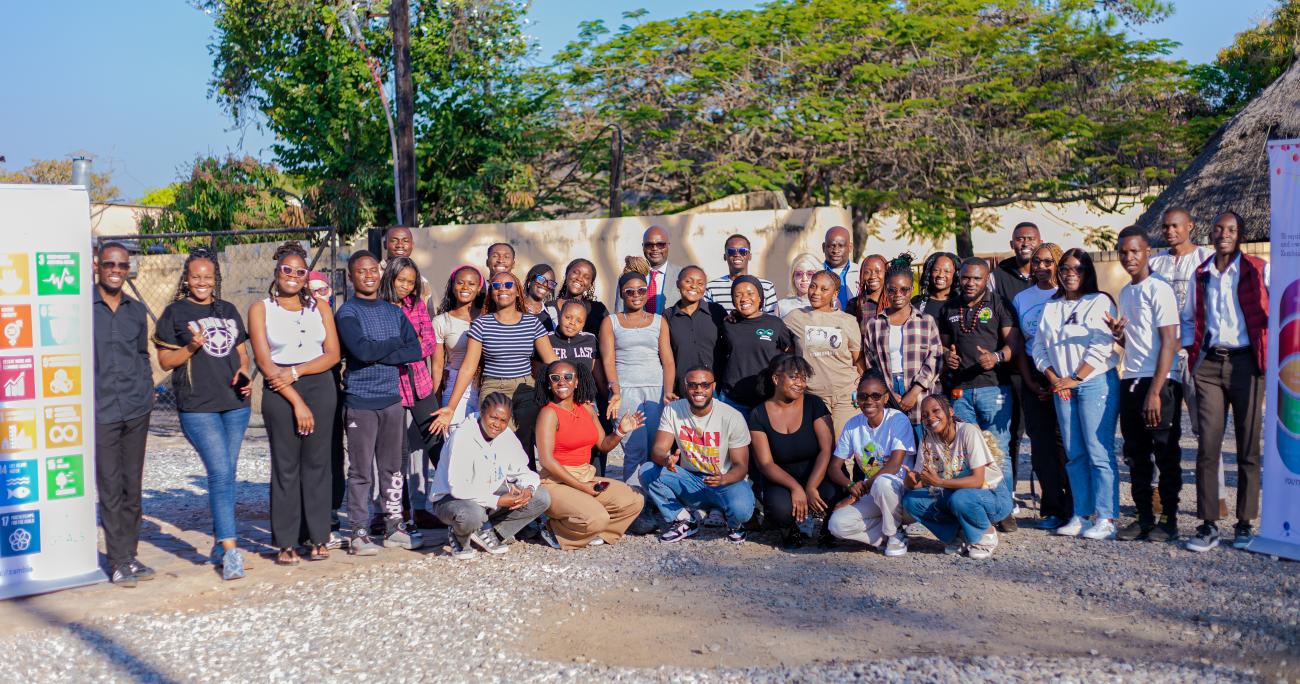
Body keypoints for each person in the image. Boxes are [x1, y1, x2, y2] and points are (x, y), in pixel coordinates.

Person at [153, 248, 253, 580]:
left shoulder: (228, 309)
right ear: (187, 278)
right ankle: (232, 551)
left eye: (207, 277)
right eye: (195, 276)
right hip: (198, 407)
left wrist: (244, 371)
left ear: (215, 279)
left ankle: (220, 544)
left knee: (226, 474)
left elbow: (242, 354)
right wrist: (192, 347)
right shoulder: (175, 313)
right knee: (221, 473)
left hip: (236, 405)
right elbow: (165, 362)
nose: (201, 282)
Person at [247, 242, 341, 565]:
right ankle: (286, 542)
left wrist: (298, 372)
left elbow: (333, 354)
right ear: (277, 272)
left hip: (319, 386)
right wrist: (296, 400)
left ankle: (318, 537)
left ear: (306, 277)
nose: (293, 275)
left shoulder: (320, 307)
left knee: (318, 465)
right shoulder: (260, 309)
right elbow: (264, 361)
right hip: (280, 390)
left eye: (300, 272)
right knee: (286, 467)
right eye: (287, 269)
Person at [1182, 211, 1268, 552]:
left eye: (1231, 229)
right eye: (1219, 229)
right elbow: (1190, 318)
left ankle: (1245, 523)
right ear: (1211, 233)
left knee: (1248, 446)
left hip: (1247, 363)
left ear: (1240, 234)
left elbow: (1272, 311)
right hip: (1209, 365)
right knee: (1208, 446)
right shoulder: (1202, 273)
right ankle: (1208, 524)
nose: (1224, 234)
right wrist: (1191, 354)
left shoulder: (1257, 269)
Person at [334, 251, 427, 555]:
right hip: (361, 402)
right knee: (361, 471)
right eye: (361, 271)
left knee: (393, 469)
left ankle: (394, 527)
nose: (368, 275)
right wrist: (388, 347)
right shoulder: (347, 313)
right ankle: (359, 532)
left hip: (392, 401)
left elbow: (414, 350)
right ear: (351, 277)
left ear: (380, 273)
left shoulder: (393, 312)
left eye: (373, 270)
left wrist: (376, 352)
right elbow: (360, 351)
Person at [1031, 248, 1120, 540]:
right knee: (1074, 454)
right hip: (1062, 386)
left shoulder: (1099, 301)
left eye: (1078, 269)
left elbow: (1101, 344)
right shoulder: (1051, 306)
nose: (1071, 274)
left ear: (1087, 272)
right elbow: (1039, 347)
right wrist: (1055, 378)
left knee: (1098, 451)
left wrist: (1075, 378)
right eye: (1066, 268)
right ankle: (1081, 515)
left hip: (1094, 382)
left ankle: (1106, 517)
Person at [1108, 227, 1184, 542]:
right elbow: (1135, 343)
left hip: (1160, 381)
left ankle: (1168, 519)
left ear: (1147, 252)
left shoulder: (1159, 289)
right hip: (1131, 378)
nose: (1129, 257)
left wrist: (1155, 391)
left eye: (1135, 251)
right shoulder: (1126, 292)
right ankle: (1143, 517)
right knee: (1135, 453)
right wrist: (1119, 336)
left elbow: (1169, 342)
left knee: (1165, 452)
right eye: (1123, 252)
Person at [430, 271, 558, 454]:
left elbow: (552, 362)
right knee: (498, 442)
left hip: (526, 388)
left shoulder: (532, 323)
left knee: (525, 442)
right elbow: (468, 367)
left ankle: (526, 474)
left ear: (518, 291)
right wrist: (450, 407)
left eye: (508, 285)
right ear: (491, 293)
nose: (502, 289)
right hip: (494, 388)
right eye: (496, 286)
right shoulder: (481, 324)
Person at [935, 257, 1020, 527]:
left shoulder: (999, 304)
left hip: (994, 388)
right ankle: (975, 507)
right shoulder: (949, 307)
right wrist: (947, 356)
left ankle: (1003, 510)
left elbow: (1013, 345)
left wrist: (996, 357)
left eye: (976, 278)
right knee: (966, 451)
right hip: (960, 391)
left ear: (986, 279)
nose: (970, 283)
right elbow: (943, 346)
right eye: (965, 278)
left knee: (998, 451)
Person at [1150, 207, 1221, 510]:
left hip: (1196, 352)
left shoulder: (1207, 259)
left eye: (1176, 226)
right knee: (1159, 425)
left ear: (1190, 226)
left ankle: (1215, 493)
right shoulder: (1155, 263)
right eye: (1166, 227)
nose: (1170, 231)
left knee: (1205, 426)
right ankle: (1157, 491)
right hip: (1162, 354)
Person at [93, 242, 155, 587]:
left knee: (133, 486)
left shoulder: (136, 310)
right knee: (110, 487)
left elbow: (142, 355)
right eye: (109, 264)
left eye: (122, 265)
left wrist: (146, 391)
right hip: (101, 410)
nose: (116, 270)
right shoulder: (83, 308)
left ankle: (130, 555)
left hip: (135, 408)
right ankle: (116, 561)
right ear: (97, 266)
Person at [534, 360, 647, 549]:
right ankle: (553, 530)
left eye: (568, 377)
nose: (562, 382)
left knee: (634, 499)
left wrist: (620, 431)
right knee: (596, 517)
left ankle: (595, 532)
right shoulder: (548, 413)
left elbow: (603, 445)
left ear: (576, 381)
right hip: (555, 482)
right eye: (555, 378)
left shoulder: (586, 408)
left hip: (585, 476)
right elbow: (546, 460)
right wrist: (582, 487)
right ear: (548, 383)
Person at [428, 393, 551, 559]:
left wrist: (528, 489)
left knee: (541, 497)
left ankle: (490, 532)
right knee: (472, 514)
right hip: (452, 499)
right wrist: (498, 501)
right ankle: (460, 534)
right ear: (482, 412)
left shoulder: (506, 435)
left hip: (487, 493)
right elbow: (459, 488)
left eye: (503, 420)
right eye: (493, 417)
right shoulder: (463, 436)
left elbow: (524, 471)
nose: (497, 425)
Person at [643, 367, 756, 543]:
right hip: (691, 480)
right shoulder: (673, 410)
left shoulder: (732, 416)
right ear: (685, 386)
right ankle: (684, 520)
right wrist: (666, 460)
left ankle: (734, 524)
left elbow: (741, 467)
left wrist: (724, 479)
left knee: (742, 510)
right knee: (647, 470)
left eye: (705, 385)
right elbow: (658, 449)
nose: (698, 390)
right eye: (693, 385)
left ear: (713, 386)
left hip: (724, 481)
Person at [902, 395, 1012, 559]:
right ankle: (958, 535)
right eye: (925, 415)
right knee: (911, 500)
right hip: (957, 495)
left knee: (960, 498)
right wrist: (910, 481)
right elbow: (922, 482)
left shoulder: (968, 431)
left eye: (936, 411)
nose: (930, 417)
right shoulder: (927, 438)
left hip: (992, 495)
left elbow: (977, 480)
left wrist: (940, 482)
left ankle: (986, 534)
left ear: (950, 411)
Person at [746, 355, 837, 548]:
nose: (800, 383)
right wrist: (796, 488)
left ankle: (829, 530)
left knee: (834, 494)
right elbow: (765, 463)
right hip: (783, 479)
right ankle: (791, 531)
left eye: (803, 378)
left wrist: (811, 486)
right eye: (794, 377)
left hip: (818, 473)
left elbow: (827, 449)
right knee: (780, 507)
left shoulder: (814, 404)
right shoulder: (758, 414)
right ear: (776, 378)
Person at [1012, 243, 1072, 530]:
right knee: (1041, 447)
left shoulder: (1067, 295)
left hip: (1064, 376)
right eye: (1037, 261)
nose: (1041, 267)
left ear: (1058, 263)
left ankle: (1074, 507)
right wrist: (1030, 382)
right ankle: (1051, 508)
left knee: (1066, 445)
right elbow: (1020, 346)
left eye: (1048, 262)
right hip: (1034, 378)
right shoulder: (1022, 298)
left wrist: (1059, 379)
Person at [826, 371, 917, 557]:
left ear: (885, 398)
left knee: (883, 481)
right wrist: (850, 486)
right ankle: (887, 535)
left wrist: (861, 489)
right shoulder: (853, 425)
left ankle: (894, 534)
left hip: (902, 493)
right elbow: (834, 467)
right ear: (857, 399)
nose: (869, 401)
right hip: (874, 492)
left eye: (876, 396)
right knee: (837, 524)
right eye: (863, 396)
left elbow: (894, 466)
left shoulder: (897, 419)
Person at [379, 256, 441, 524]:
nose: (405, 286)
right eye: (401, 280)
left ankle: (451, 504)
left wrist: (400, 349)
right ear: (390, 278)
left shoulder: (416, 305)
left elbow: (428, 343)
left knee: (436, 442)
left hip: (420, 385)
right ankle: (399, 512)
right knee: (397, 451)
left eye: (411, 282)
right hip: (391, 385)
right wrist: (408, 345)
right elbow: (377, 347)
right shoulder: (378, 307)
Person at [600, 272, 675, 479]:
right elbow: (608, 361)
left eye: (641, 290)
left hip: (656, 391)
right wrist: (615, 390)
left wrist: (667, 393)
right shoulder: (611, 322)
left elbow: (668, 361)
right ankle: (634, 493)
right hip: (625, 391)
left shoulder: (659, 321)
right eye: (630, 291)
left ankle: (655, 492)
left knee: (656, 448)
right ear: (622, 294)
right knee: (634, 448)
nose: (636, 295)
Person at [861, 255, 943, 443]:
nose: (898, 294)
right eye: (892, 290)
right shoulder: (874, 324)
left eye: (904, 289)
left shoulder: (925, 321)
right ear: (886, 290)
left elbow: (935, 359)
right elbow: (871, 364)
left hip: (921, 390)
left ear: (911, 289)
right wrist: (888, 392)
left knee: (924, 444)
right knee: (894, 445)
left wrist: (914, 392)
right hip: (889, 391)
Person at [784, 270, 862, 436]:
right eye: (813, 286)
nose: (816, 292)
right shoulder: (795, 317)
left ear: (835, 293)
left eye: (823, 289)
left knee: (844, 446)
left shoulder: (848, 321)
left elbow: (858, 360)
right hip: (813, 396)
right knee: (820, 446)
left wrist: (862, 388)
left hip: (846, 396)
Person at [717, 275, 796, 415]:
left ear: (760, 297)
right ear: (733, 300)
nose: (744, 298)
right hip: (732, 399)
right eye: (738, 295)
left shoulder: (775, 323)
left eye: (750, 293)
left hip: (767, 399)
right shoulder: (728, 324)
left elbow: (790, 352)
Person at [430, 265, 484, 437]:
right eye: (460, 283)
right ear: (453, 286)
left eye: (471, 284)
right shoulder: (441, 321)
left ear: (479, 288)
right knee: (455, 439)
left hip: (485, 385)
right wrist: (437, 400)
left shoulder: (487, 318)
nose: (465, 287)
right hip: (455, 386)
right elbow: (437, 366)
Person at [664, 265, 727, 397]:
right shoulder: (668, 316)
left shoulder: (716, 311)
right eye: (688, 281)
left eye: (700, 283)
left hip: (715, 388)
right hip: (683, 389)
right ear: (678, 283)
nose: (694, 286)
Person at [705, 234, 777, 313]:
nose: (737, 254)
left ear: (749, 256)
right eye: (731, 251)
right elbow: (706, 318)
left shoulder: (766, 286)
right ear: (725, 256)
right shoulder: (710, 288)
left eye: (743, 251)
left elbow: (772, 318)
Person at [621, 225, 680, 315]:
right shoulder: (627, 276)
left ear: (668, 245)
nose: (655, 248)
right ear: (643, 246)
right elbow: (619, 312)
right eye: (649, 245)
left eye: (660, 244)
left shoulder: (682, 275)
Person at [556, 258, 609, 336]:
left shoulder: (598, 309)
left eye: (586, 277)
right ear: (567, 274)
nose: (579, 278)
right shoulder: (548, 307)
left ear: (590, 284)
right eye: (576, 272)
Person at [381, 226, 431, 301]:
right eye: (394, 241)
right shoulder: (374, 275)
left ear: (412, 245)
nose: (400, 245)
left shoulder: (422, 282)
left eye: (405, 241)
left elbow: (427, 307)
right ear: (385, 244)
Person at [913, 252, 960, 323]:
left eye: (947, 271)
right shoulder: (917, 303)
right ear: (929, 272)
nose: (940, 275)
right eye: (936, 270)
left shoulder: (962, 304)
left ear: (956, 275)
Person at [821, 226, 860, 310]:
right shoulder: (813, 272)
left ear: (850, 247)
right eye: (832, 246)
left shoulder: (861, 273)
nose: (836, 251)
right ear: (824, 247)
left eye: (841, 246)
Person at [776, 253, 820, 318]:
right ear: (793, 278)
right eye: (799, 274)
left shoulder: (829, 304)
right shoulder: (781, 306)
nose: (804, 279)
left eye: (810, 274)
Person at [846, 254, 886, 320]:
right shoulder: (854, 304)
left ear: (886, 273)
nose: (872, 276)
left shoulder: (894, 301)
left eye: (877, 271)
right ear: (862, 275)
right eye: (867, 272)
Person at [522, 263, 560, 331]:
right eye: (540, 279)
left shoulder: (552, 313)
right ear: (530, 281)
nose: (545, 285)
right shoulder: (514, 306)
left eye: (550, 283)